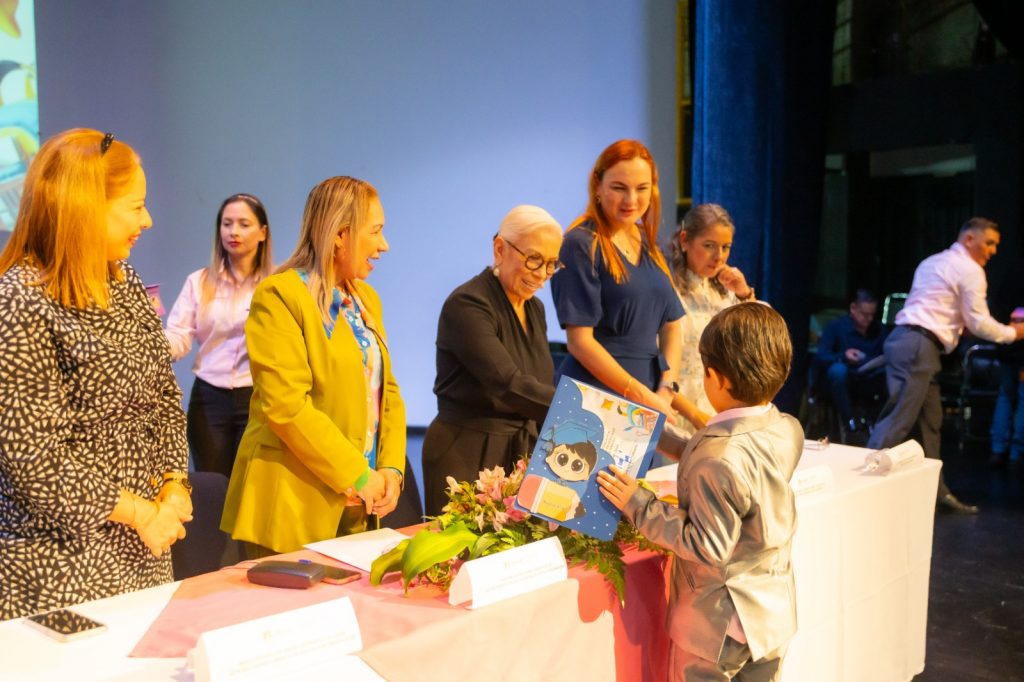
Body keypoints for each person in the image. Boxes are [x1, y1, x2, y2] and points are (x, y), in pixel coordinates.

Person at [0, 129, 191, 620]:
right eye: (135, 207)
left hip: (145, 550)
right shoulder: (20, 301)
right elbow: (35, 459)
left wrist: (174, 482)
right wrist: (140, 512)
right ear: (84, 208)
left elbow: (164, 397)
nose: (147, 220)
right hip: (59, 567)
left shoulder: (123, 281)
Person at [598, 302, 803, 681]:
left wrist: (637, 503)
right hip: (769, 614)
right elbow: (737, 462)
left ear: (715, 378)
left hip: (719, 626)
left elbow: (706, 545)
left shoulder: (718, 458)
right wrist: (661, 436)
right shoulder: (787, 427)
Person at [221, 176, 406, 556]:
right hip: (293, 506)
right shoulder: (280, 295)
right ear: (340, 234)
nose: (384, 245)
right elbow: (286, 406)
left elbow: (386, 390)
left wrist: (391, 469)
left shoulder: (366, 299)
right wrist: (357, 475)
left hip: (358, 504)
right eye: (375, 231)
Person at [867, 217, 1024, 513]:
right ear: (969, 239)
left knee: (930, 424)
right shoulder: (970, 269)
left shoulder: (932, 262)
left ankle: (935, 493)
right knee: (897, 421)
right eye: (989, 243)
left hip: (913, 343)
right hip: (918, 346)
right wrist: (1013, 333)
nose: (993, 251)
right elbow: (977, 321)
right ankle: (860, 491)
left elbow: (941, 309)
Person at [551, 139, 706, 429]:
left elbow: (672, 325)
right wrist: (643, 396)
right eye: (619, 188)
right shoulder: (580, 244)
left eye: (641, 188)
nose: (631, 200)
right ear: (597, 186)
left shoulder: (650, 245)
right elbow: (580, 342)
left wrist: (666, 388)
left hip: (645, 403)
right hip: (591, 401)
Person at [421, 206, 562, 516]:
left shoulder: (535, 309)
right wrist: (580, 408)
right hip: (467, 455)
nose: (542, 274)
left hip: (520, 456)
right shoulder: (467, 304)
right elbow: (508, 384)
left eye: (551, 264)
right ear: (500, 249)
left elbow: (538, 382)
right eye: (534, 259)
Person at [164, 194, 273, 477]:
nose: (233, 232)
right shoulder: (199, 281)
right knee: (213, 482)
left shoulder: (274, 284)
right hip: (209, 398)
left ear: (262, 232)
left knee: (250, 484)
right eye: (227, 224)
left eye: (243, 224)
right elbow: (178, 335)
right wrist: (151, 342)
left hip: (258, 396)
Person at [668, 203, 756, 437]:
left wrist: (744, 294)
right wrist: (694, 414)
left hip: (720, 405)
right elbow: (655, 364)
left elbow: (757, 341)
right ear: (685, 240)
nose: (719, 257)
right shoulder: (667, 288)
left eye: (725, 247)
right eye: (709, 246)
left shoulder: (725, 291)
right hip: (676, 405)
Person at [813, 288, 887, 435]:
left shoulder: (878, 329)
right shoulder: (836, 327)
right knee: (838, 371)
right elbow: (821, 356)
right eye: (864, 314)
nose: (868, 319)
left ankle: (879, 424)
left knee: (891, 373)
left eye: (872, 315)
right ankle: (850, 423)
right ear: (853, 308)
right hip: (842, 382)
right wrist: (844, 356)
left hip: (867, 379)